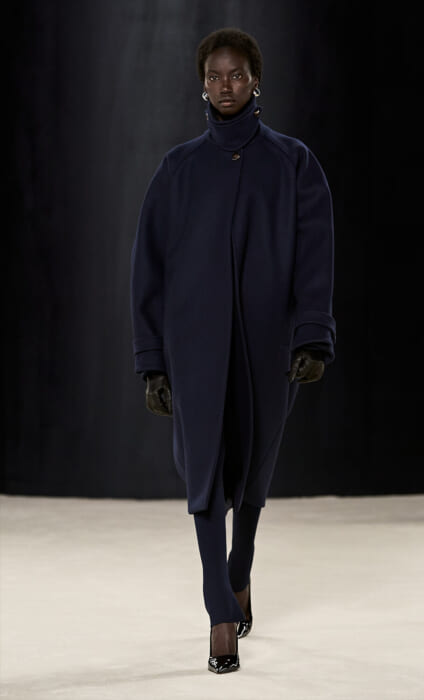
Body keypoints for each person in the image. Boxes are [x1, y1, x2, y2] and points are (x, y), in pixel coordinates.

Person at [130, 27, 336, 674]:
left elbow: (315, 256)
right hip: (192, 346)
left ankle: (239, 568)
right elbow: (148, 270)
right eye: (215, 76)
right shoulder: (178, 169)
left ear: (255, 80)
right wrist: (151, 361)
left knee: (253, 469)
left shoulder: (293, 163)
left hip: (268, 344)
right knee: (203, 473)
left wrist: (312, 335)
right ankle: (220, 611)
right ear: (202, 84)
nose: (226, 85)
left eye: (236, 75)